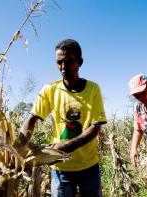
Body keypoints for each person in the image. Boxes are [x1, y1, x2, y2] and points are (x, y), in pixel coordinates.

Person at [16, 39, 107, 197]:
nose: (63, 67)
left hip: (89, 166)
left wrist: (64, 146)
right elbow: (31, 119)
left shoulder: (93, 89)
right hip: (61, 169)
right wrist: (18, 145)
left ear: (79, 62)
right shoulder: (50, 90)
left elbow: (95, 128)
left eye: (69, 61)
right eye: (59, 62)